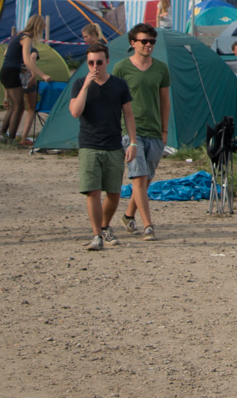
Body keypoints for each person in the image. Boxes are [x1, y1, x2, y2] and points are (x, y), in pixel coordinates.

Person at [68, 41, 136, 250]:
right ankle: (96, 234)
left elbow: (128, 114)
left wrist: (133, 142)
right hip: (89, 144)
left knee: (114, 194)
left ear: (107, 61)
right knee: (93, 191)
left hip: (113, 145)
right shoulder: (80, 84)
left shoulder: (119, 85)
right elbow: (75, 112)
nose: (95, 67)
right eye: (90, 63)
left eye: (99, 62)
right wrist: (87, 86)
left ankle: (105, 226)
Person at [112, 24, 171, 240]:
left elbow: (165, 101)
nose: (148, 45)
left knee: (145, 180)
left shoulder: (161, 69)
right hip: (131, 134)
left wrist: (165, 130)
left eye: (152, 41)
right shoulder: (121, 68)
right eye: (144, 41)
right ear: (133, 43)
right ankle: (148, 225)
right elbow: (114, 101)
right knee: (138, 178)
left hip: (155, 131)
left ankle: (128, 215)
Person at [0, 14, 47, 146]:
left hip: (6, 71)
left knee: (14, 106)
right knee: (19, 107)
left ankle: (3, 133)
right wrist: (42, 75)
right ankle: (11, 139)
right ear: (37, 27)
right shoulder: (26, 38)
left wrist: (17, 66)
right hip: (11, 73)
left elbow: (6, 54)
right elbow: (27, 60)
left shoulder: (18, 35)